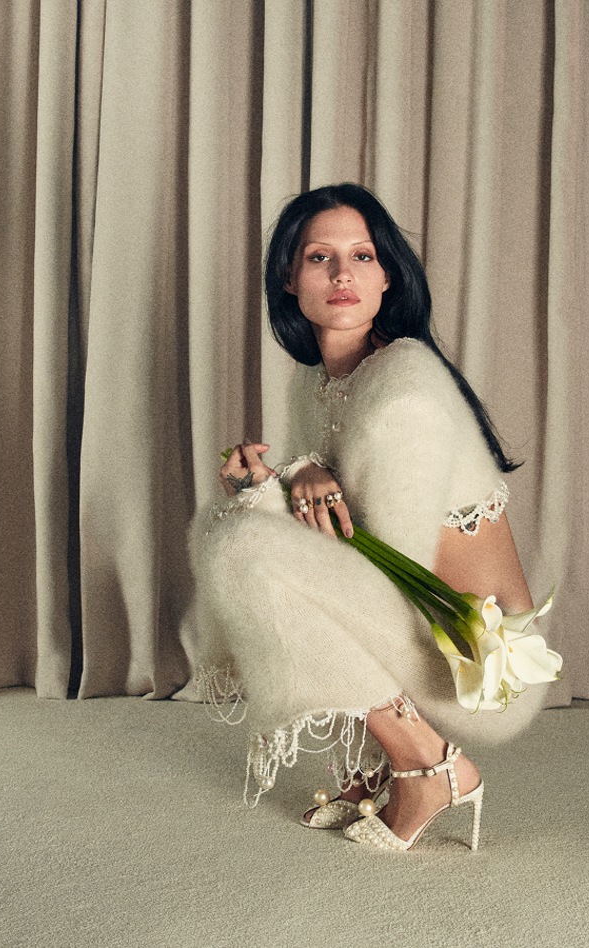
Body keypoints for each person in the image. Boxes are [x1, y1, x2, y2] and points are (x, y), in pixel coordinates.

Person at [189, 183, 550, 852]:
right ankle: (376, 765)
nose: (343, 275)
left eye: (361, 255)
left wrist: (285, 492)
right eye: (319, 257)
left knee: (245, 550)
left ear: (388, 276)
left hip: (477, 664)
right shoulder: (316, 377)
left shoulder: (404, 386)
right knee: (233, 516)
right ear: (288, 279)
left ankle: (426, 765)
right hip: (422, 627)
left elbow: (390, 571)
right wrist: (275, 480)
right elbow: (336, 530)